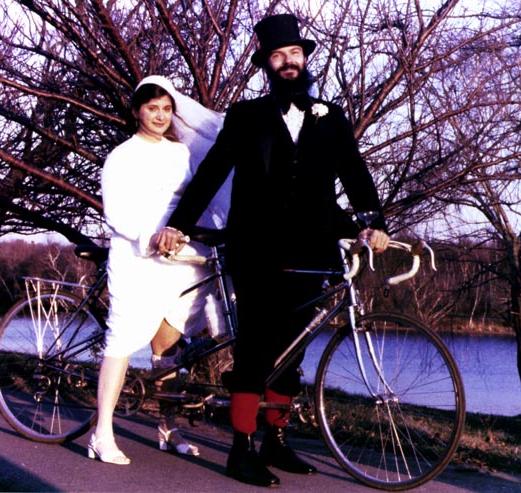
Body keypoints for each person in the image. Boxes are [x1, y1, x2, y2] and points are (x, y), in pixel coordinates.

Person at [155, 14, 390, 487]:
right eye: (278, 56)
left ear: (304, 60)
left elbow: (355, 173)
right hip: (257, 248)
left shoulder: (331, 116)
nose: (288, 63)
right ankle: (240, 448)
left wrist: (372, 222)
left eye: (295, 55)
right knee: (258, 346)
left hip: (314, 247)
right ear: (266, 63)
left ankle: (275, 441)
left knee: (295, 347)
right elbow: (214, 171)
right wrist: (179, 223)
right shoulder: (247, 116)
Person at [88, 75, 225, 465]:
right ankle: (103, 433)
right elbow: (116, 212)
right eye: (152, 108)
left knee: (168, 346)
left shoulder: (182, 154)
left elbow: (199, 199)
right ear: (137, 112)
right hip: (139, 254)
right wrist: (151, 238)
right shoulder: (122, 156)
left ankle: (168, 427)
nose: (161, 115)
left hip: (181, 256)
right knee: (123, 339)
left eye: (167, 109)